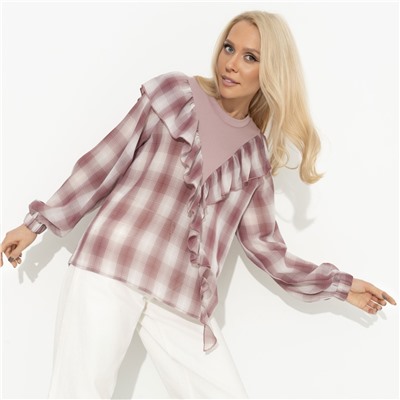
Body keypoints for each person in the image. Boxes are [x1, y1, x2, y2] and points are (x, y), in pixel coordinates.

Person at [1, 10, 396, 399]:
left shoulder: (254, 156)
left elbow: (266, 248)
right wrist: (36, 223)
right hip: (111, 264)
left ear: (270, 72)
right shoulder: (174, 94)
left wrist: (339, 285)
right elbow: (105, 162)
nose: (231, 63)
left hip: (180, 291)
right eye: (229, 48)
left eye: (250, 57)